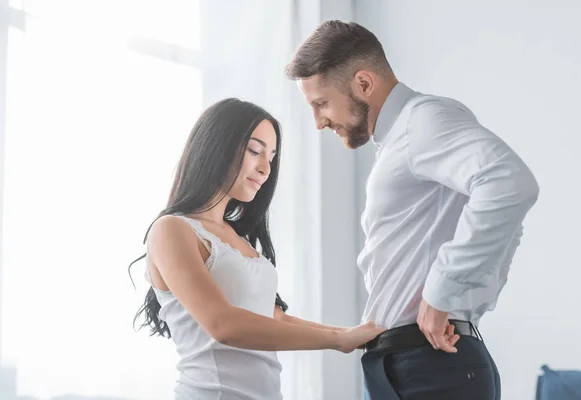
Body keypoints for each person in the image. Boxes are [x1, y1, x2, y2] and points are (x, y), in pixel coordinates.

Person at [285, 20, 539, 399]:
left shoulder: (423, 121)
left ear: (364, 84)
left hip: (430, 364)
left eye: (321, 103)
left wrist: (443, 292)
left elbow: (509, 183)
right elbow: (500, 216)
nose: (319, 121)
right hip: (409, 363)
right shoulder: (400, 140)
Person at [129, 98, 385, 400]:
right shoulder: (172, 229)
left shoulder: (238, 240)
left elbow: (273, 317)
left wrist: (353, 333)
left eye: (272, 156)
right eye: (255, 151)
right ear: (216, 146)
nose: (265, 168)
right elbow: (223, 324)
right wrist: (339, 339)